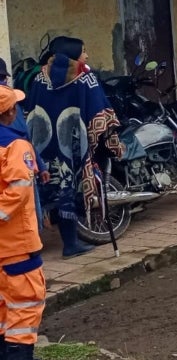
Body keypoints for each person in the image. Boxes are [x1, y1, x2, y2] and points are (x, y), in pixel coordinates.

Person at [23, 36, 124, 259]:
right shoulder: (85, 78)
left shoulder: (41, 78)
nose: (86, 56)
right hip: (75, 148)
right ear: (73, 55)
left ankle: (41, 246)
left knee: (52, 191)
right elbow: (100, 114)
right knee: (71, 189)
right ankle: (70, 244)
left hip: (45, 147)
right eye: (83, 52)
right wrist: (111, 142)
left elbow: (31, 111)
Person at [0, 85, 57, 360]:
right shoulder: (16, 145)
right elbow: (18, 191)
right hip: (16, 241)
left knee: (2, 305)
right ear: (9, 113)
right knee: (26, 302)